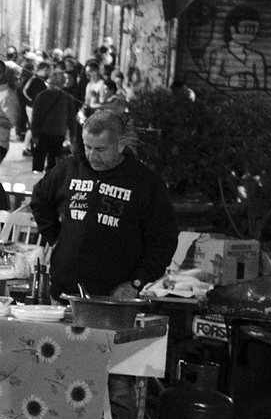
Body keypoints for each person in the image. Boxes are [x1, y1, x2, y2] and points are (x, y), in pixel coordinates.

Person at [29, 106, 179, 300]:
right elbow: (40, 197)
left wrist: (137, 282)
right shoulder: (70, 168)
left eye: (100, 149)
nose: (92, 156)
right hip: (62, 290)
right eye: (87, 146)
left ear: (120, 144)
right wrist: (55, 237)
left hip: (113, 296)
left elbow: (163, 241)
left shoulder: (146, 183)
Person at [24, 67, 76, 173]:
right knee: (53, 164)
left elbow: (36, 117)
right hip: (58, 133)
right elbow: (71, 120)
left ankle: (37, 183)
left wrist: (34, 134)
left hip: (43, 133)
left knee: (38, 162)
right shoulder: (68, 98)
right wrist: (72, 137)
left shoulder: (42, 96)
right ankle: (50, 184)